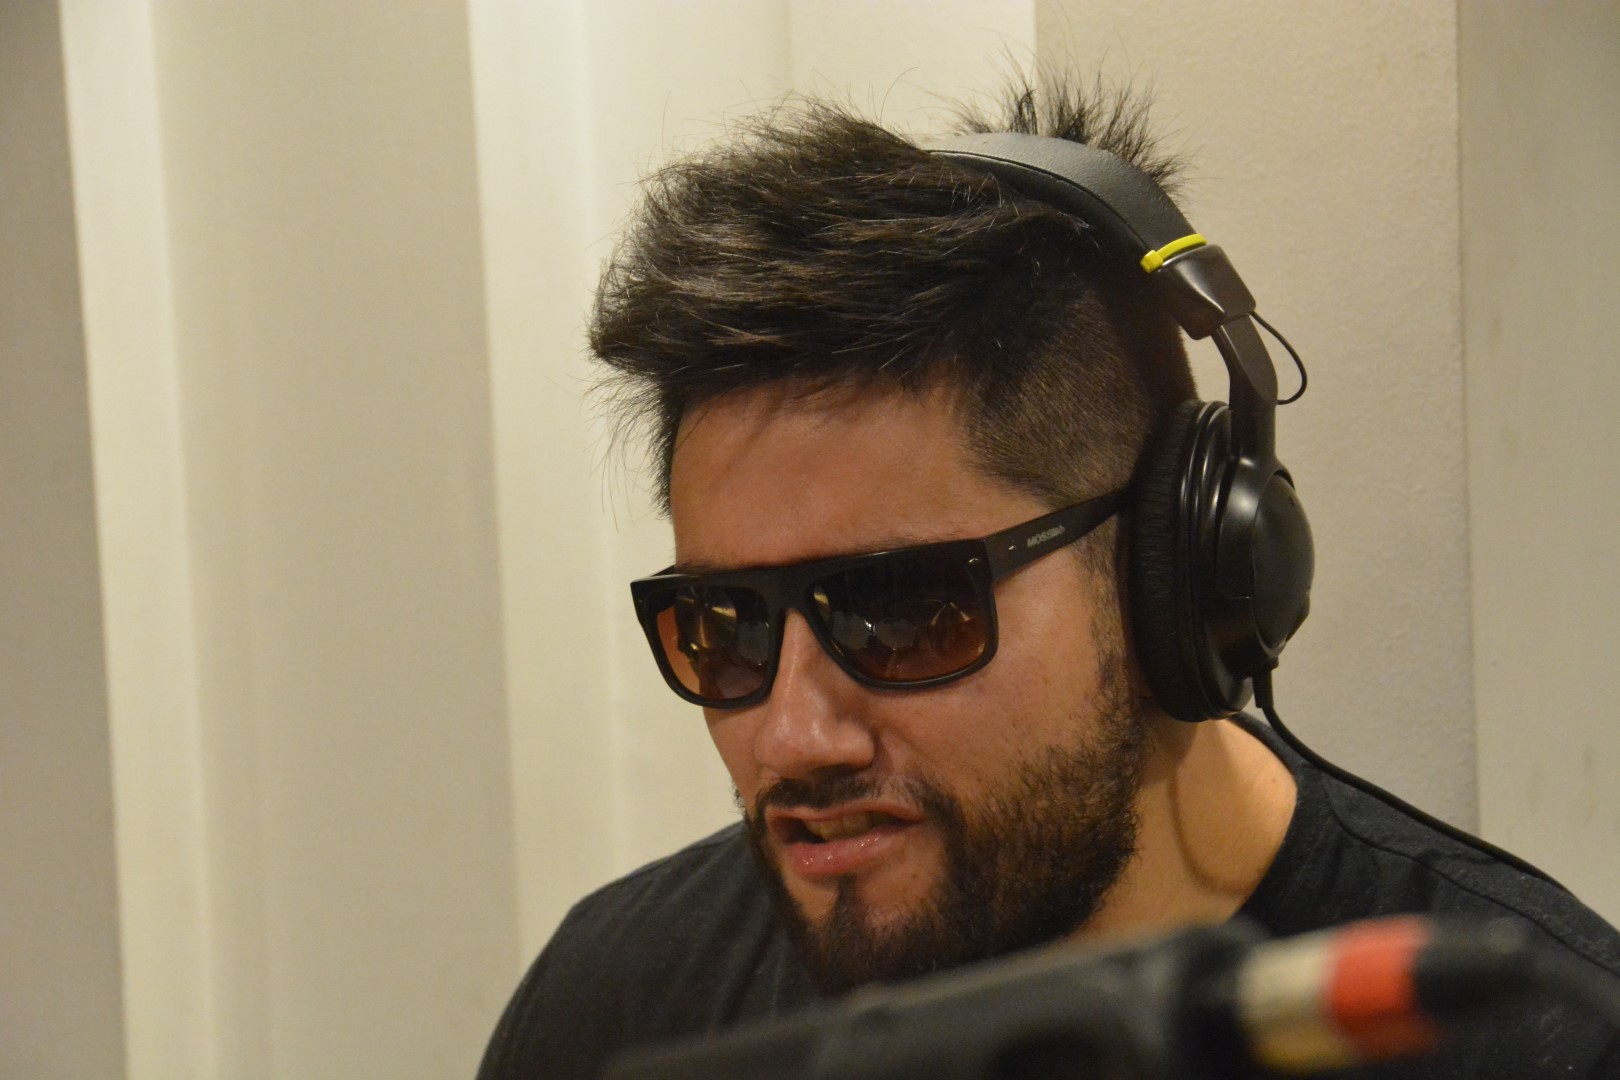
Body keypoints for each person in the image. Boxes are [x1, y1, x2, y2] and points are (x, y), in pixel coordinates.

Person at [477, 79, 1620, 1079]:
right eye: (722, 626)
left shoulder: (1532, 1038)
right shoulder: (621, 1000)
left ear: (1171, 577)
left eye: (904, 615)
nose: (791, 738)